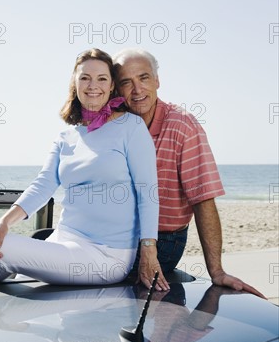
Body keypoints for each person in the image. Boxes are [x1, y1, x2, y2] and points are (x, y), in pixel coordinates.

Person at [0, 49, 168, 290]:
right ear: (74, 84)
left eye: (102, 78)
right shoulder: (66, 136)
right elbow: (43, 186)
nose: (92, 85)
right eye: (85, 77)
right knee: (6, 259)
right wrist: (3, 222)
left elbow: (147, 193)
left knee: (5, 248)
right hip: (63, 241)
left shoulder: (131, 127)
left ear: (111, 87)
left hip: (106, 256)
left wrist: (149, 251)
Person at [113, 48, 265, 298]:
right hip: (116, 233)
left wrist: (216, 271)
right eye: (126, 82)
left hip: (163, 240)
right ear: (117, 89)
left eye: (144, 78)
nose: (137, 90)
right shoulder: (114, 124)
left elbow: (203, 198)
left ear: (157, 80)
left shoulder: (183, 126)